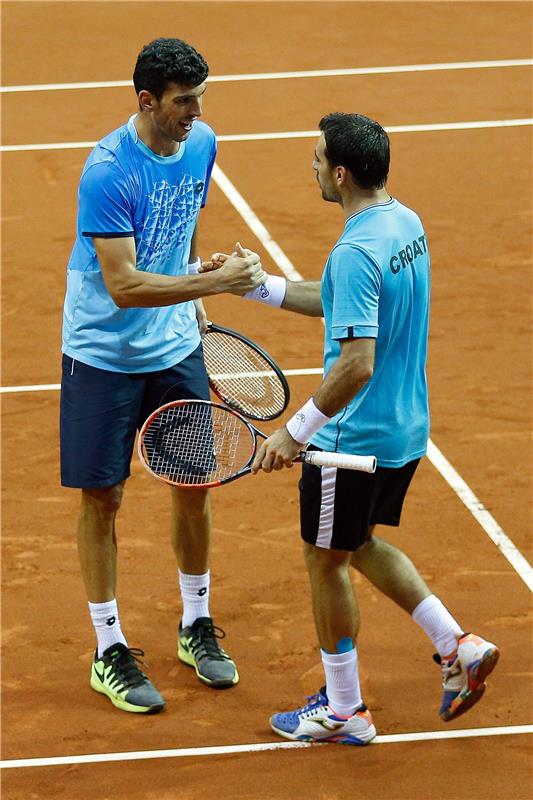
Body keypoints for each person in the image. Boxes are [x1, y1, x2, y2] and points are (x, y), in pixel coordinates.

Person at [212, 112, 500, 743]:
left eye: (317, 158)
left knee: (325, 561)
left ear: (340, 173)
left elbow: (356, 363)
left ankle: (346, 711)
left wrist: (297, 431)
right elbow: (344, 299)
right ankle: (458, 645)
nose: (312, 167)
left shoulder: (353, 250)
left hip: (351, 444)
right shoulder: (403, 222)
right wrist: (257, 288)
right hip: (404, 431)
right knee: (358, 544)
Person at [60, 37, 266, 714]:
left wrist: (201, 294)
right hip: (104, 354)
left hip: (174, 345)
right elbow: (121, 283)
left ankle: (194, 624)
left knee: (192, 485)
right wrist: (222, 283)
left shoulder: (201, 143)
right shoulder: (109, 171)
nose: (195, 112)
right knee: (104, 500)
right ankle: (108, 648)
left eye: (200, 98)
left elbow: (173, 242)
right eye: (182, 101)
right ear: (146, 101)